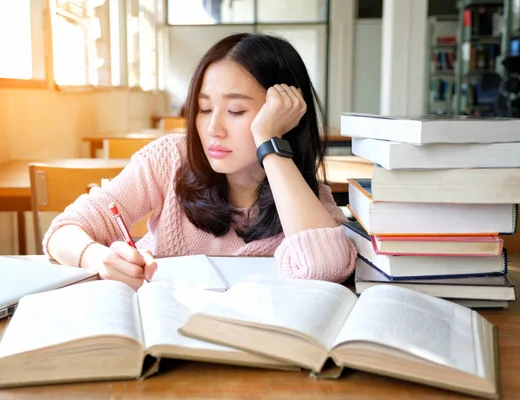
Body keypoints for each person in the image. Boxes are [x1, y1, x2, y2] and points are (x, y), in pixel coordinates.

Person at [43, 33, 356, 290]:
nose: (213, 130)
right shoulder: (168, 160)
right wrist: (96, 258)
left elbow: (325, 270)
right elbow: (63, 231)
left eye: (236, 111)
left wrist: (269, 142)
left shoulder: (303, 199)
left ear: (283, 117)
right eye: (204, 109)